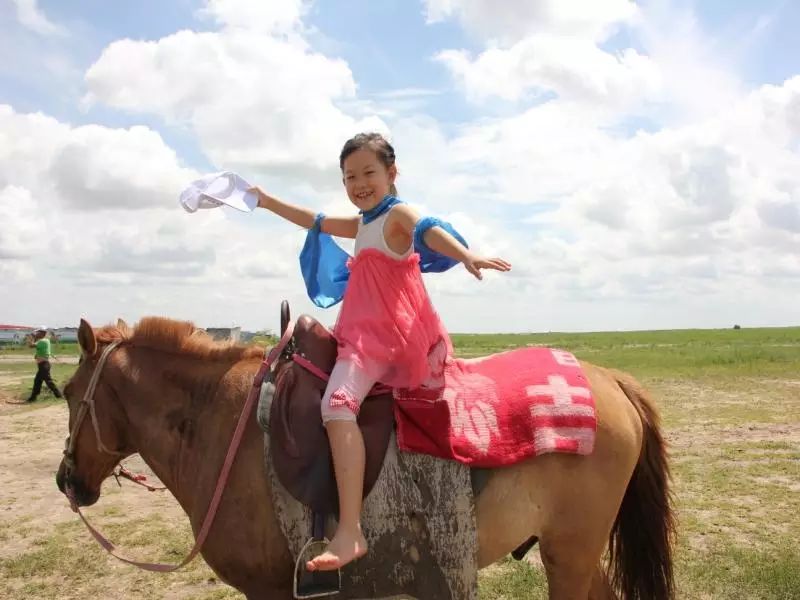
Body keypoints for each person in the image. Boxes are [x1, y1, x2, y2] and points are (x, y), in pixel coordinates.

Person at [250, 132, 511, 571]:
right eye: (350, 176)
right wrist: (263, 199)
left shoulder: (396, 215)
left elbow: (428, 228)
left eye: (369, 172)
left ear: (392, 173)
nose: (359, 183)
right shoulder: (362, 223)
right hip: (359, 333)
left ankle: (350, 530)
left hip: (389, 337)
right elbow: (311, 219)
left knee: (336, 406)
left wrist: (466, 254)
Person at [26, 327, 63, 402]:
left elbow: (30, 346)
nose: (37, 334)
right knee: (38, 381)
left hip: (44, 365)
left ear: (42, 333)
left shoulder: (42, 341)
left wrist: (32, 337)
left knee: (48, 381)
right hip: (43, 365)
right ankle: (33, 397)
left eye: (38, 332)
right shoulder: (45, 340)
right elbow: (40, 350)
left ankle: (59, 395)